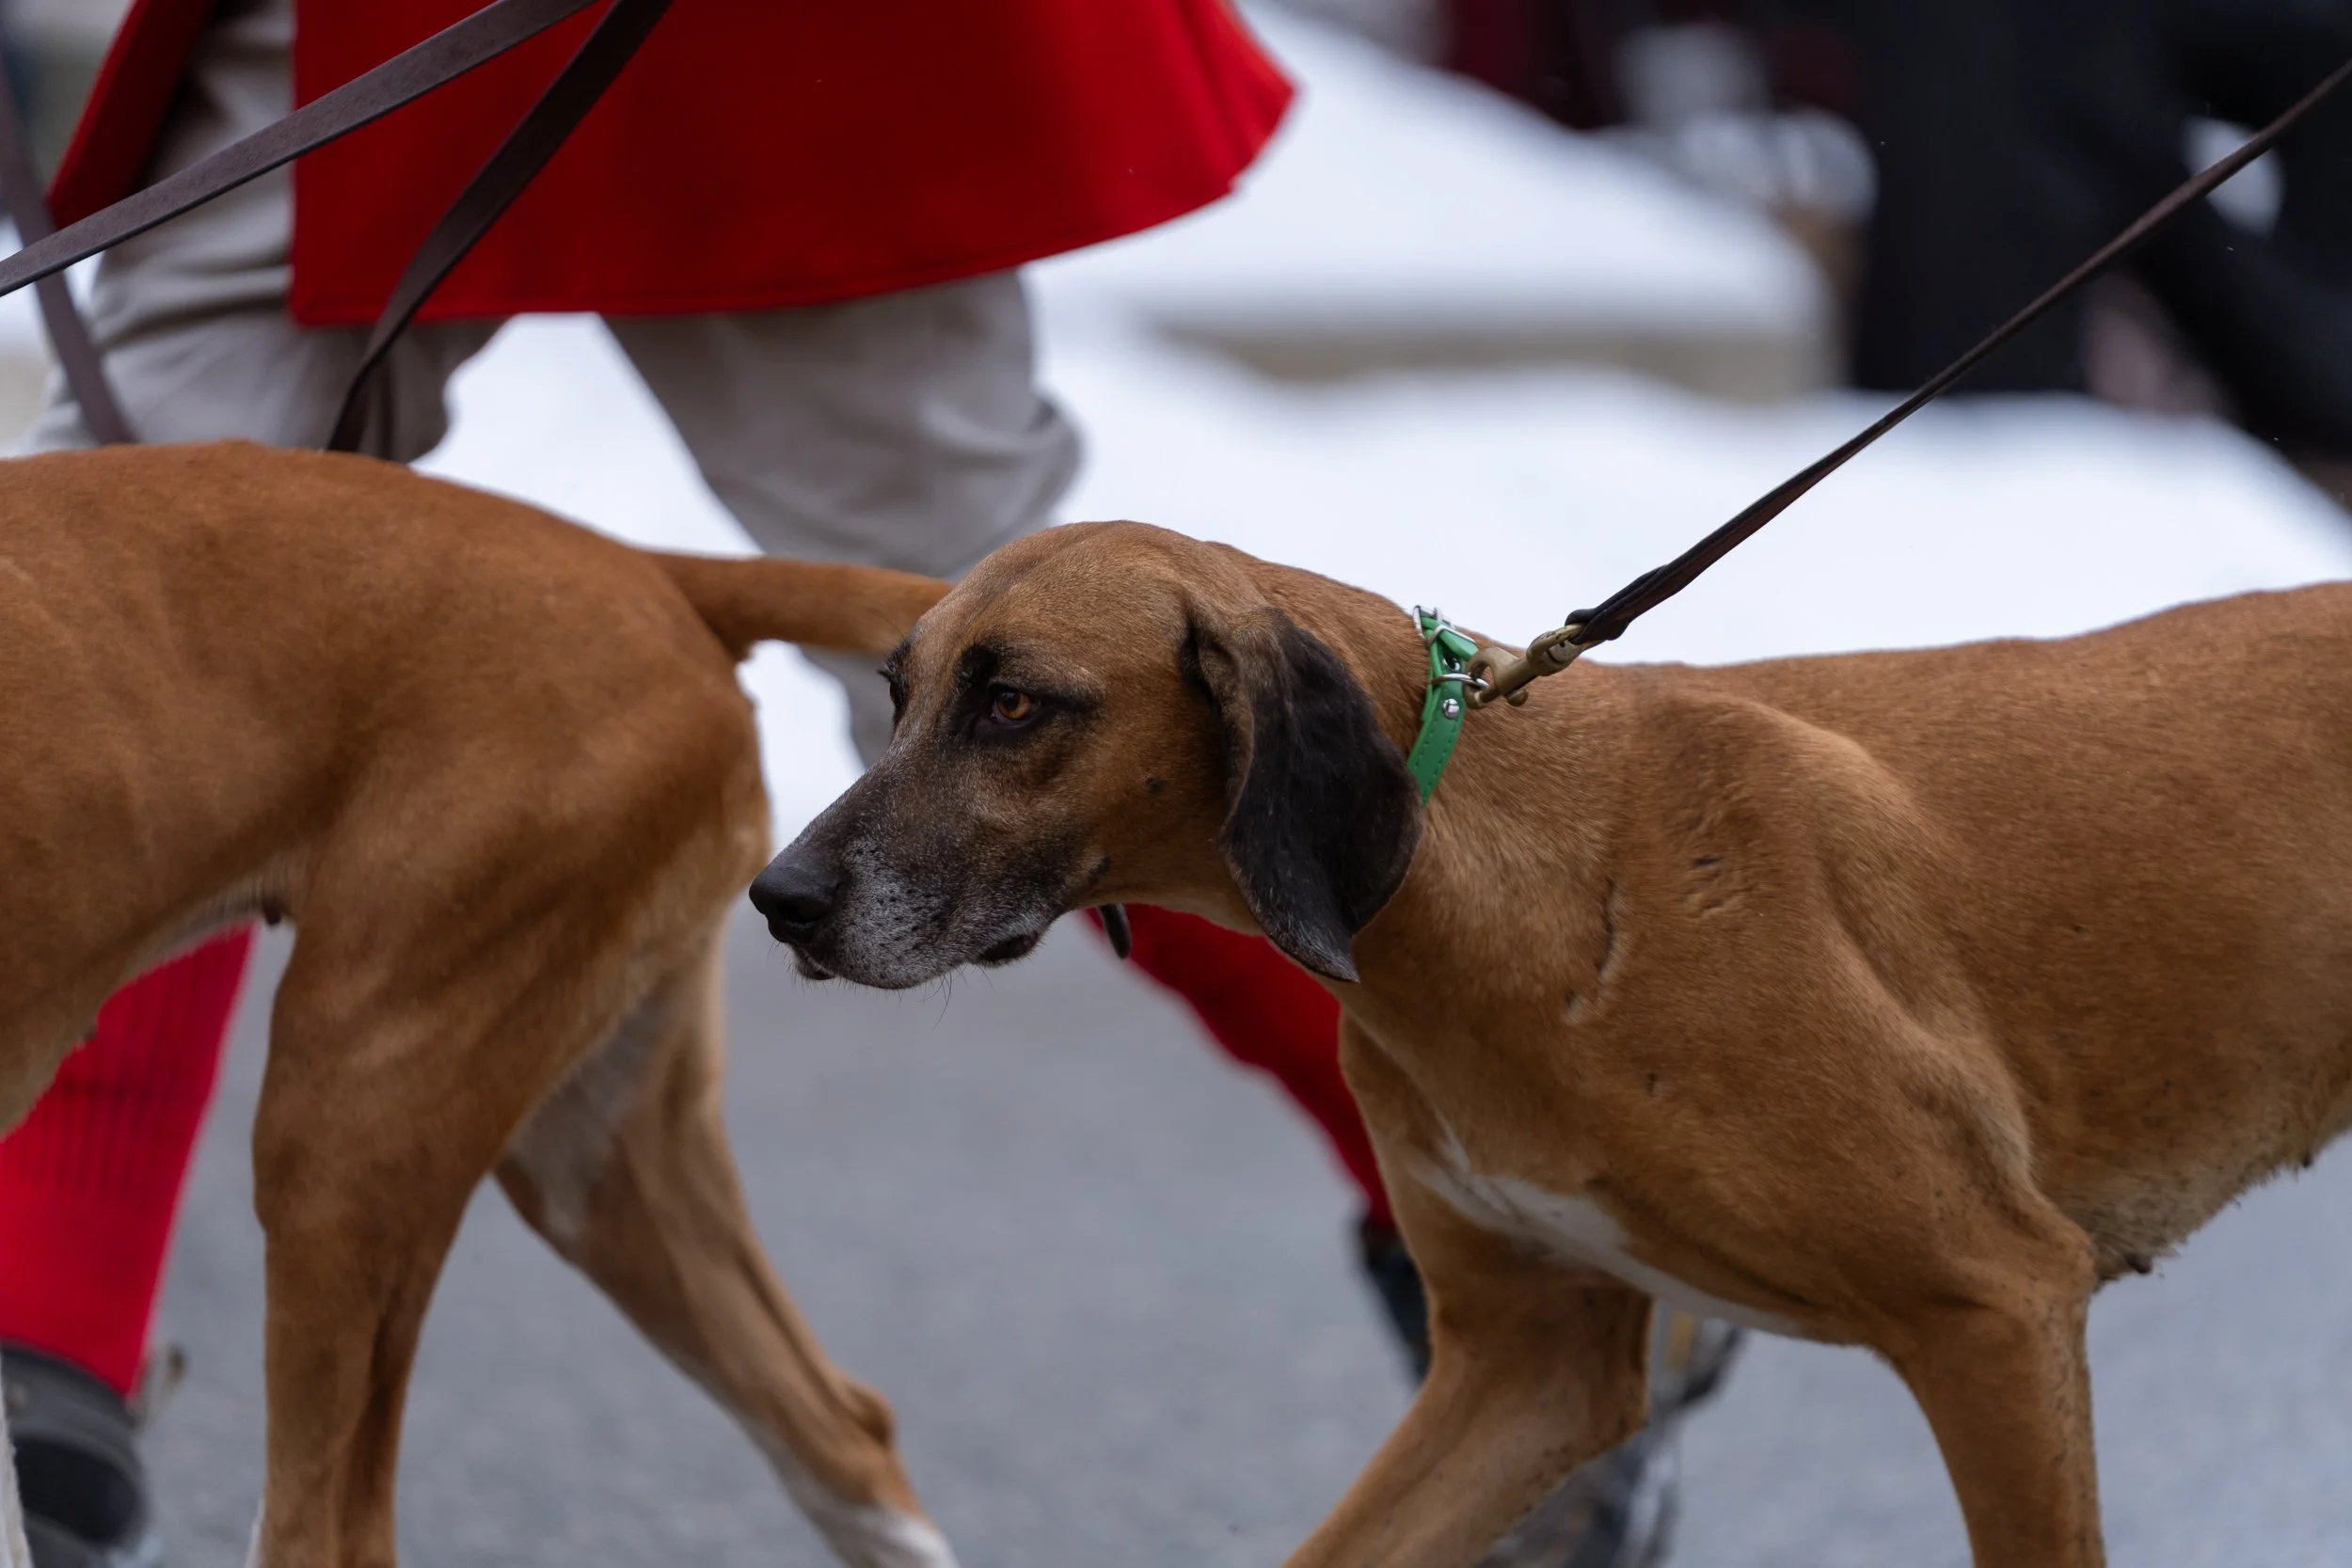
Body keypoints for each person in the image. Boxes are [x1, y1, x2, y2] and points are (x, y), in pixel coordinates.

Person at [0, 3, 1709, 1565]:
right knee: (129, 584)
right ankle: (46, 1345)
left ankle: (1574, 1244)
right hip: (362, 16)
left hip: (777, 37)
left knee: (1028, 637)